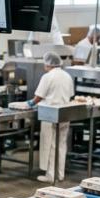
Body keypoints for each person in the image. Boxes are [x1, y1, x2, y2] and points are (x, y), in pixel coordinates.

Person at [28, 52, 75, 184]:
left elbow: (39, 96)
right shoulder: (67, 76)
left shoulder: (48, 76)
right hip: (64, 112)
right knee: (61, 144)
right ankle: (60, 174)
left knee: (50, 144)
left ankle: (50, 176)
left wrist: (30, 103)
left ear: (48, 64)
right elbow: (70, 95)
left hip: (50, 113)